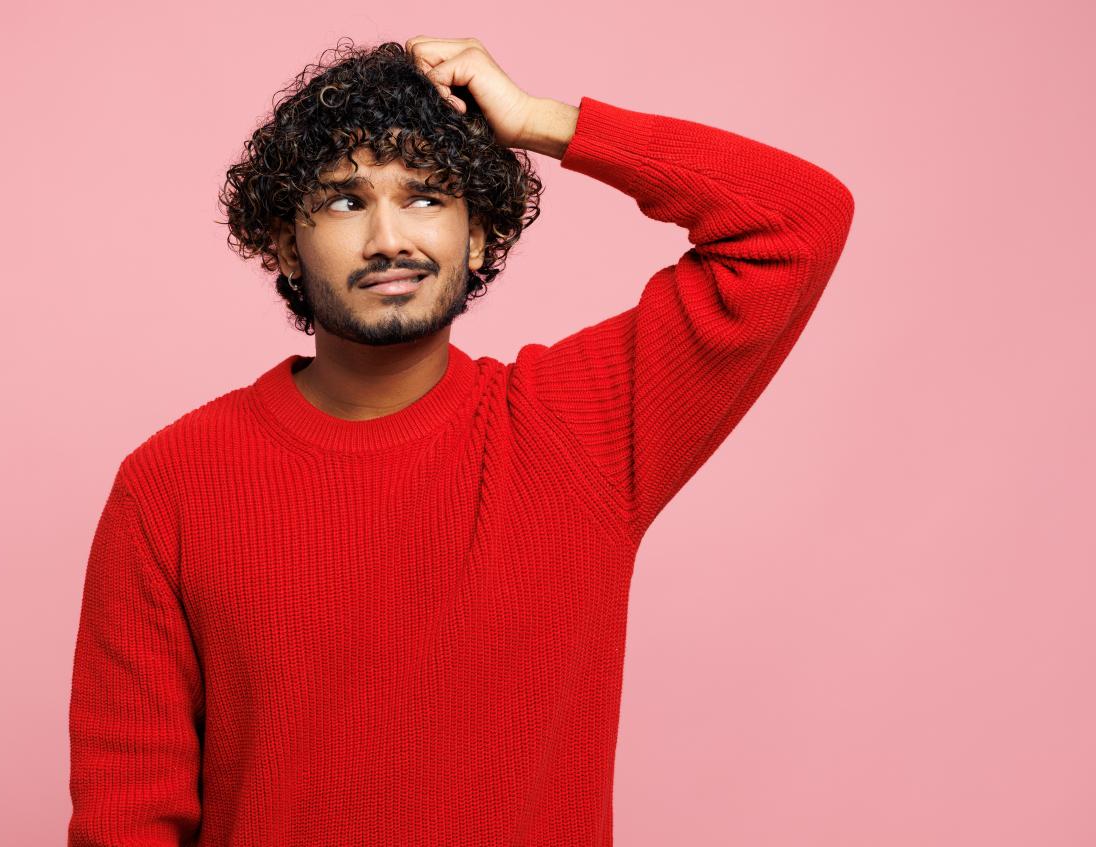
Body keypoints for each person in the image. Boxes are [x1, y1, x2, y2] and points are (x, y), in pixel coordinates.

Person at [67, 34, 854, 846]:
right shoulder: (171, 484)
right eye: (344, 200)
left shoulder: (577, 429)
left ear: (479, 237)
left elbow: (799, 221)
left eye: (427, 197)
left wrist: (543, 124)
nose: (388, 239)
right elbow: (127, 813)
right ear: (280, 244)